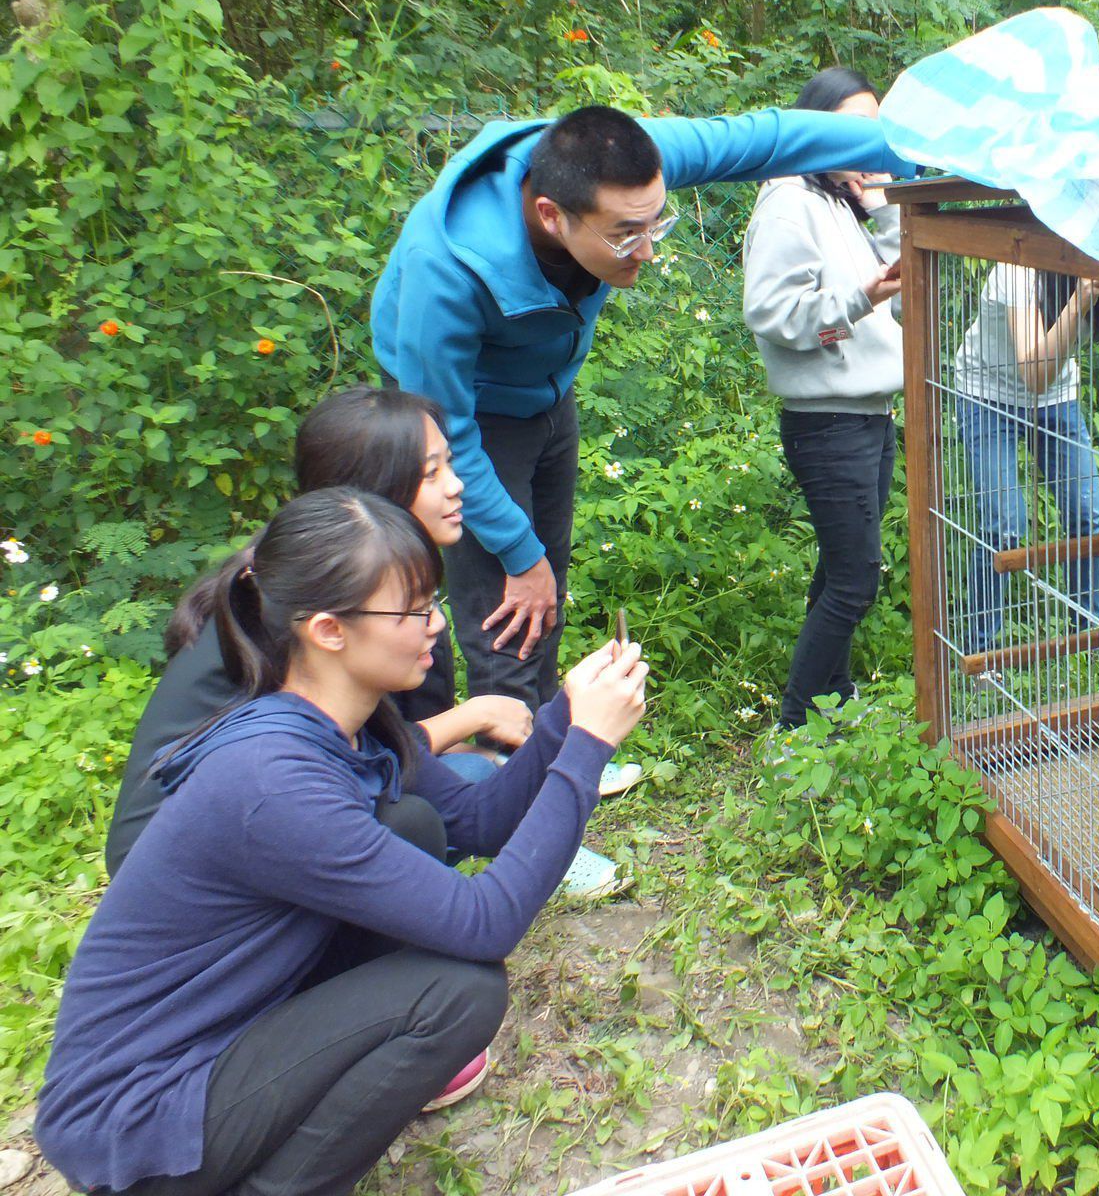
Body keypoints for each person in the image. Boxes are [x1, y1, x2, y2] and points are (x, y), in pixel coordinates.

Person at [35, 488, 651, 1196]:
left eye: (433, 600)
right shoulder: (273, 782)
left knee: (417, 826)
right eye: (413, 608)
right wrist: (588, 748)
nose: (435, 624)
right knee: (455, 993)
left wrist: (564, 719)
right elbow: (487, 924)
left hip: (220, 1037)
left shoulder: (348, 723)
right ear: (328, 629)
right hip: (136, 1117)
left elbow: (480, 821)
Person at [373, 103, 909, 716]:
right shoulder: (445, 272)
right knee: (511, 602)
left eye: (657, 224)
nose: (648, 251)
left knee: (547, 581)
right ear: (551, 215)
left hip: (546, 385)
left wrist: (907, 146)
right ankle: (496, 786)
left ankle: (546, 759)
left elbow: (771, 137)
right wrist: (518, 555)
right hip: (458, 409)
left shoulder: (624, 164)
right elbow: (448, 433)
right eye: (628, 235)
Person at [103, 386, 635, 897]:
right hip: (184, 857)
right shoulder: (301, 608)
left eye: (450, 464)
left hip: (279, 792)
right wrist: (475, 720)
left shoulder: (365, 583)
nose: (457, 486)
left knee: (469, 772)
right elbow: (339, 755)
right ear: (367, 493)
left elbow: (385, 746)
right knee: (420, 818)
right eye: (431, 474)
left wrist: (561, 717)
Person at [742, 68, 904, 727]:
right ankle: (794, 725)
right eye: (853, 129)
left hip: (866, 413)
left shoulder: (837, 199)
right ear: (816, 126)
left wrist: (883, 197)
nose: (867, 144)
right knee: (855, 582)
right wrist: (861, 300)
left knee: (840, 572)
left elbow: (898, 264)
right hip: (827, 419)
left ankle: (831, 702)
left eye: (875, 130)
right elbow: (773, 313)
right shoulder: (789, 202)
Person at [951, 267, 1099, 652]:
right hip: (986, 392)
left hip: (1057, 398)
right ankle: (982, 656)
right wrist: (1081, 300)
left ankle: (1088, 646)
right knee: (1004, 524)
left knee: (1088, 517)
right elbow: (1035, 375)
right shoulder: (1017, 270)